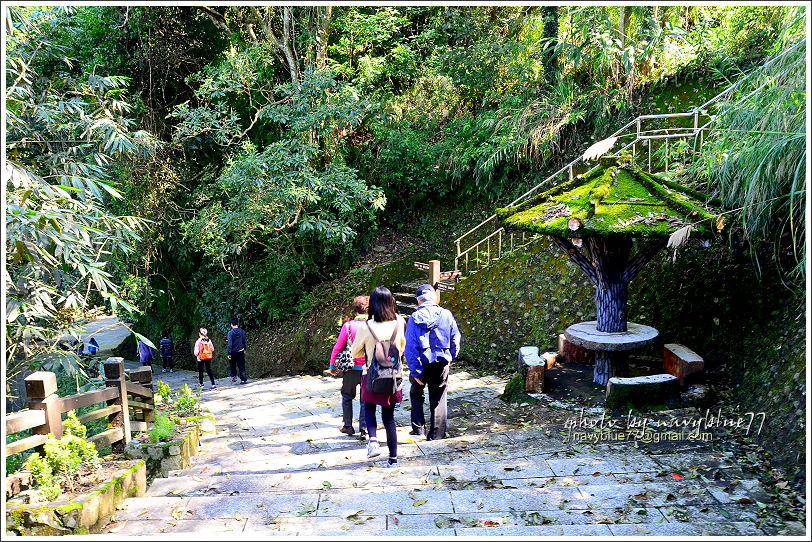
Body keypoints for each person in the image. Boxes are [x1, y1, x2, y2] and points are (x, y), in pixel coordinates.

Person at [351, 287, 406, 468]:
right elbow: (402, 347)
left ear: (372, 304)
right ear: (391, 302)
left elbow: (355, 352)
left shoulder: (366, 327)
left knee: (368, 408)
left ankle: (373, 440)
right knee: (389, 417)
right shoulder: (400, 322)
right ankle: (393, 459)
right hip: (394, 377)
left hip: (371, 375)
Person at [404, 283, 461, 440]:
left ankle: (418, 429)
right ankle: (436, 434)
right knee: (439, 396)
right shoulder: (446, 314)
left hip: (421, 362)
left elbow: (410, 346)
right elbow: (455, 338)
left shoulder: (414, 318)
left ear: (418, 300)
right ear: (434, 298)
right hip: (441, 362)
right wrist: (451, 357)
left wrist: (415, 371)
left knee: (415, 394)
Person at [328, 296, 369, 439]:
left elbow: (338, 346)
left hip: (351, 368)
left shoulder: (349, 326)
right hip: (368, 368)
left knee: (347, 396)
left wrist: (333, 365)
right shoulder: (373, 324)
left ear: (355, 309)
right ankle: (364, 429)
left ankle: (347, 425)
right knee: (366, 399)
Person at [227, 318, 248, 384]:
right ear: (238, 324)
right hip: (241, 351)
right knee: (241, 365)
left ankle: (234, 376)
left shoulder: (230, 333)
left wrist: (229, 353)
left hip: (233, 352)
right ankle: (243, 380)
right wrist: (245, 349)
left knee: (232, 364)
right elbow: (244, 341)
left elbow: (230, 344)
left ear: (231, 324)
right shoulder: (242, 331)